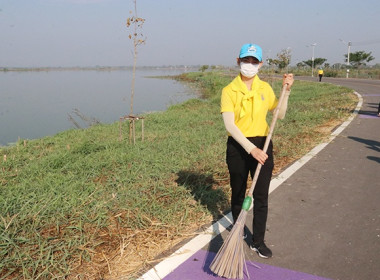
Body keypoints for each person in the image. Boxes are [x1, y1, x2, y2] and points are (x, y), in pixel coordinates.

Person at [221, 43, 294, 258]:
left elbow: (279, 114)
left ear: (260, 64)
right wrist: (251, 149)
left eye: (254, 61)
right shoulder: (229, 90)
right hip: (239, 146)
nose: (249, 65)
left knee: (261, 196)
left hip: (263, 143)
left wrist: (286, 91)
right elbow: (230, 125)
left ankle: (258, 241)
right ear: (238, 61)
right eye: (246, 60)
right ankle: (238, 228)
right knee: (238, 190)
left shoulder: (265, 88)